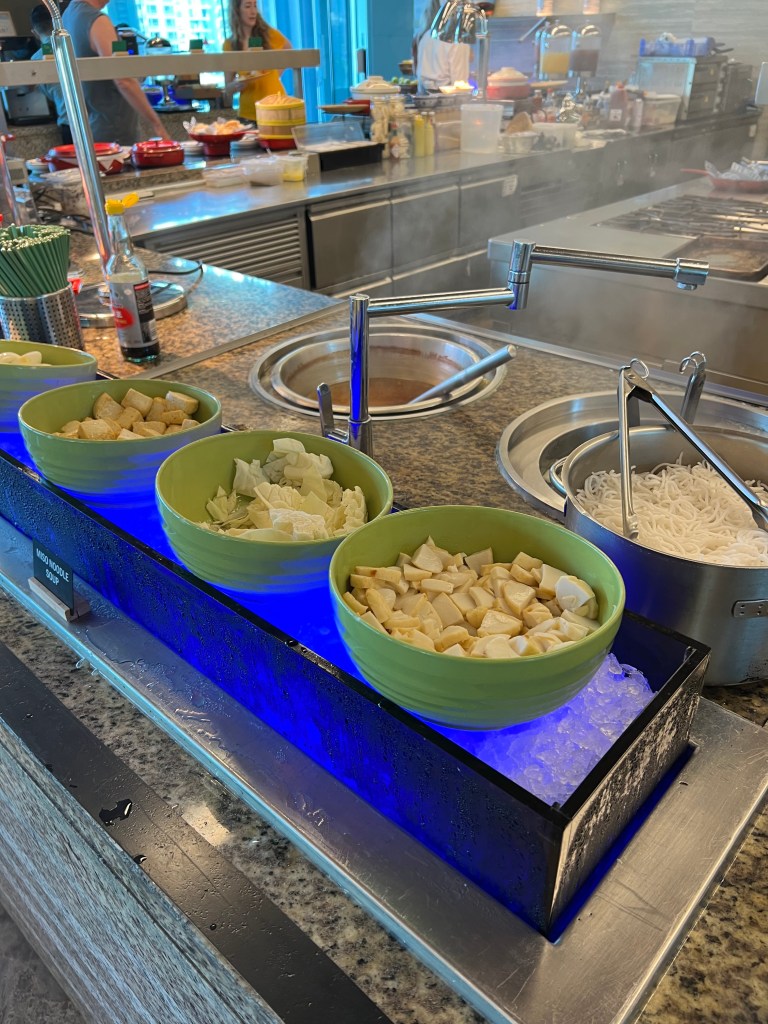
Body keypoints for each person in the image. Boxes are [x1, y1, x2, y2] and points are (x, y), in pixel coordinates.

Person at [62, 0, 170, 145]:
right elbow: (123, 80)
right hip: (113, 130)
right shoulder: (97, 20)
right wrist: (157, 124)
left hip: (91, 129)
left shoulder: (68, 15)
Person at [223, 0, 292, 122]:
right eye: (248, 6)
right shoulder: (230, 45)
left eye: (255, 5)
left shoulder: (269, 34)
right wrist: (236, 85)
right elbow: (228, 88)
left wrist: (275, 73)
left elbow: (289, 52)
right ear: (237, 10)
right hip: (248, 114)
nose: (253, 11)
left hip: (275, 108)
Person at [30, 4, 72, 144]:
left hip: (68, 124)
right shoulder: (74, 47)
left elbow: (47, 93)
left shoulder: (36, 60)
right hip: (94, 120)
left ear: (35, 33)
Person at [413, 0, 470, 92]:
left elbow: (418, 77)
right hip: (447, 98)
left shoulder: (426, 35)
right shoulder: (458, 38)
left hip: (424, 96)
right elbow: (460, 85)